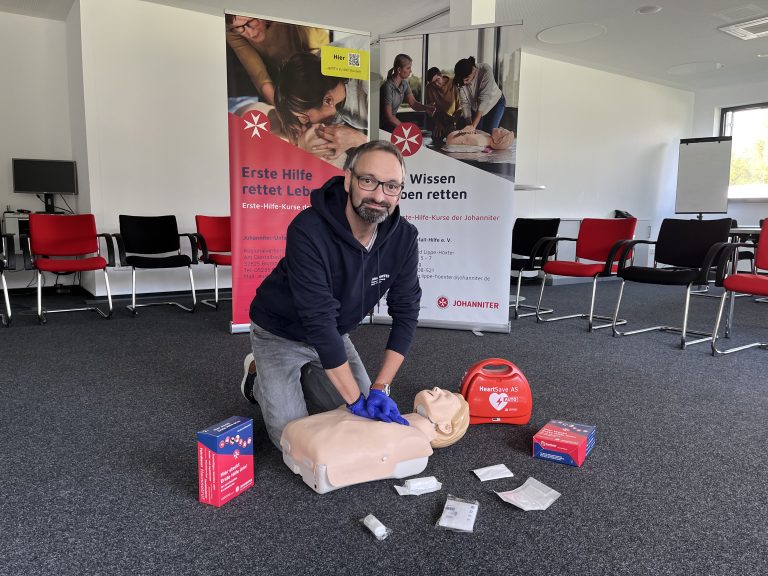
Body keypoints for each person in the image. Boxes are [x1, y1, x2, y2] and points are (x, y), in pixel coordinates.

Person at [240, 140, 422, 449]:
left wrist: (379, 388)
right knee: (293, 440)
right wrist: (354, 401)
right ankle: (257, 378)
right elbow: (318, 319)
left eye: (391, 186)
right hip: (279, 333)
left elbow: (406, 313)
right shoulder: (308, 230)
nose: (379, 196)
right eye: (369, 181)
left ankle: (308, 377)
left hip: (334, 334)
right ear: (348, 178)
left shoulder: (404, 238)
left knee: (362, 424)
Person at [280, 388, 470, 493]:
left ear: (446, 427)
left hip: (321, 448)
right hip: (315, 435)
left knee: (288, 427)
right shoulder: (400, 423)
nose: (437, 389)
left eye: (445, 396)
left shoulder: (416, 441)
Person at [275, 52, 368, 162]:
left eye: (305, 116)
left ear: (328, 101)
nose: (303, 122)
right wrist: (289, 120)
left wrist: (359, 139)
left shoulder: (371, 97)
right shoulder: (318, 65)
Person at [225, 15, 329, 105]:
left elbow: (313, 55)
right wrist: (283, 111)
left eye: (251, 22)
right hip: (283, 75)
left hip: (319, 63)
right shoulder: (230, 30)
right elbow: (259, 75)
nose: (250, 33)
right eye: (238, 28)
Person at [380, 54, 435, 132]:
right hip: (381, 127)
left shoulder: (404, 84)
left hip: (391, 125)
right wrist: (406, 129)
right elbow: (389, 117)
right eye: (408, 68)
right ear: (399, 70)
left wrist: (426, 108)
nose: (410, 71)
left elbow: (413, 103)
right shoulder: (387, 87)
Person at [453, 56, 506, 134]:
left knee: (488, 134)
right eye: (462, 81)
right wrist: (469, 125)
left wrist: (473, 126)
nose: (464, 83)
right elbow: (465, 104)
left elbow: (484, 99)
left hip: (495, 103)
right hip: (476, 106)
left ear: (473, 70)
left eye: (467, 79)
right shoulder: (461, 81)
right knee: (476, 133)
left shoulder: (485, 70)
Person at [425, 67, 461, 141]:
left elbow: (460, 108)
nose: (436, 84)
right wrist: (438, 123)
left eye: (437, 80)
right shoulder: (429, 88)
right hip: (439, 117)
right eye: (432, 82)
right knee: (436, 139)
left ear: (441, 75)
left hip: (454, 117)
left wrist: (454, 123)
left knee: (452, 139)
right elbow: (430, 110)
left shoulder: (453, 84)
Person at [445, 126, 515, 150]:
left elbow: (465, 140)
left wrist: (466, 131)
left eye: (501, 131)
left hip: (451, 139)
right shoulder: (487, 136)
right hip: (452, 136)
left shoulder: (481, 141)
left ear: (497, 141)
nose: (500, 127)